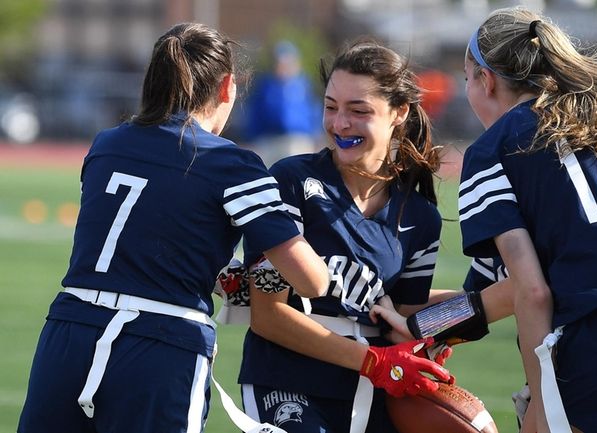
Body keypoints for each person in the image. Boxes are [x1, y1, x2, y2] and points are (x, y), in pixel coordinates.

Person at [375, 7, 597, 433]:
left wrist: (543, 399)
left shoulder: (495, 147)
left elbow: (531, 291)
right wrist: (423, 324)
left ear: (485, 80)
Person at [17, 22, 333, 433]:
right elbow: (312, 281)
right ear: (226, 87)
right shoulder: (231, 164)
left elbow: (147, 233)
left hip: (69, 333)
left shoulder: (106, 144)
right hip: (161, 345)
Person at [229, 40, 452, 433]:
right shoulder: (290, 181)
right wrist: (374, 362)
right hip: (285, 382)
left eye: (358, 111)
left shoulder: (421, 218)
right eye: (331, 107)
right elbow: (268, 316)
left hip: (371, 392)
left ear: (399, 112)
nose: (339, 124)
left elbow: (405, 316)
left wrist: (440, 334)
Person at [242, 40, 322, 166]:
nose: (283, 65)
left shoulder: (304, 84)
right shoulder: (266, 84)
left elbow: (315, 111)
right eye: (280, 61)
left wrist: (317, 136)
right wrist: (251, 138)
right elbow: (255, 112)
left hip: (298, 140)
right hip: (269, 140)